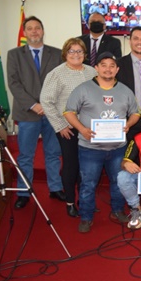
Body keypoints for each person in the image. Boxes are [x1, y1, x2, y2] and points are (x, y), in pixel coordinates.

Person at [64, 52, 141, 233]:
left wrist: (129, 124)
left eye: (112, 65)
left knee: (118, 182)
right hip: (90, 148)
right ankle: (86, 216)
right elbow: (68, 112)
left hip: (117, 148)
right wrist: (82, 129)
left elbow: (136, 112)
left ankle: (117, 210)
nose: (108, 69)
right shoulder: (83, 89)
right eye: (104, 65)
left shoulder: (125, 90)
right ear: (96, 68)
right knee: (88, 184)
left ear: (117, 69)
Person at [7, 16, 66, 209]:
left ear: (43, 30)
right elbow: (14, 84)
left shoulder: (57, 54)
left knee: (52, 153)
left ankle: (55, 188)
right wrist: (34, 105)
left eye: (37, 28)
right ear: (25, 32)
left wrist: (47, 105)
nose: (34, 32)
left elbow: (61, 82)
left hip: (52, 112)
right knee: (26, 155)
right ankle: (24, 191)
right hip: (27, 113)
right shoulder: (14, 54)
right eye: (30, 28)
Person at [40, 37, 97, 217]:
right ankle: (70, 201)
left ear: (84, 54)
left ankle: (85, 200)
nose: (76, 54)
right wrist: (60, 126)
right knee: (71, 166)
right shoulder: (56, 74)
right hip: (68, 129)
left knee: (87, 166)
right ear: (65, 54)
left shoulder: (91, 72)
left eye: (79, 51)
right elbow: (46, 101)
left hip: (89, 129)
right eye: (72, 51)